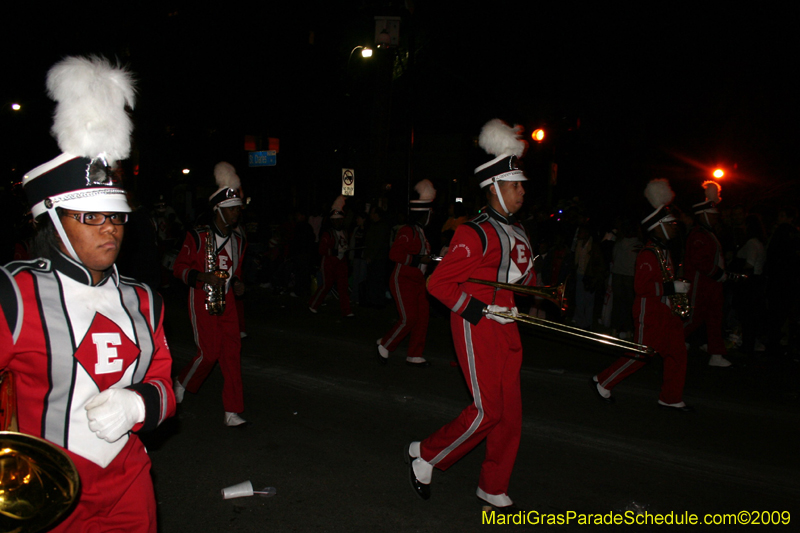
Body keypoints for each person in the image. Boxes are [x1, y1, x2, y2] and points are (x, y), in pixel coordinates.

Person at [1, 56, 175, 532]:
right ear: (55, 220)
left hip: (129, 483)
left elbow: (164, 383)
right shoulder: (14, 294)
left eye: (115, 217)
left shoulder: (143, 299)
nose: (110, 229)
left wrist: (138, 404)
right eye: (91, 218)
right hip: (43, 495)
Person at [406, 119, 535, 510]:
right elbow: (437, 285)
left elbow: (521, 280)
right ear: (495, 188)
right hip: (476, 324)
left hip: (508, 325)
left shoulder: (520, 232)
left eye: (522, 185)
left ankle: (491, 484)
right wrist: (481, 309)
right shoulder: (473, 232)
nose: (522, 192)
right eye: (516, 186)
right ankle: (428, 456)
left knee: (510, 415)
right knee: (487, 411)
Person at [591, 179, 693, 412]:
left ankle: (670, 397)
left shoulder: (662, 250)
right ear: (658, 226)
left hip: (666, 312)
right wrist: (672, 288)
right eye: (670, 223)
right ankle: (603, 382)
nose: (675, 226)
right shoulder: (648, 253)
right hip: (650, 311)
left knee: (677, 354)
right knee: (641, 354)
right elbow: (642, 288)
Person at [173, 162, 248, 427]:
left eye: (238, 207)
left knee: (232, 354)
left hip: (226, 300)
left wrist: (237, 283)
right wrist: (200, 277)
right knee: (209, 353)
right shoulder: (198, 235)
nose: (238, 211)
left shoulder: (240, 239)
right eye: (233, 208)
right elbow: (178, 268)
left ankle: (232, 411)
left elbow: (235, 269)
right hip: (201, 296)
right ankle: (182, 381)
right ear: (219, 210)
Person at [377, 179, 436, 367]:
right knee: (409, 317)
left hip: (418, 280)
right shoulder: (407, 230)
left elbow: (421, 256)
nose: (431, 216)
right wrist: (420, 259)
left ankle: (414, 354)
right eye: (429, 213)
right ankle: (386, 345)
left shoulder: (421, 232)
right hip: (402, 278)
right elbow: (395, 254)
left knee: (422, 317)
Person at [683, 181, 732, 367]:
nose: (715, 218)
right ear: (703, 216)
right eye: (712, 215)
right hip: (700, 284)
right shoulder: (699, 234)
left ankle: (716, 354)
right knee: (692, 318)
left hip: (711, 284)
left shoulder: (707, 233)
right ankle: (667, 342)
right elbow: (700, 261)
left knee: (714, 319)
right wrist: (718, 274)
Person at [308, 196, 354, 317]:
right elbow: (322, 249)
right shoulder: (327, 233)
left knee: (343, 286)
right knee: (326, 285)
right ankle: (313, 304)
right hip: (329, 261)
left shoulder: (345, 232)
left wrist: (345, 252)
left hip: (341, 261)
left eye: (339, 220)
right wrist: (335, 251)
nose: (337, 222)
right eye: (335, 220)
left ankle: (347, 310)